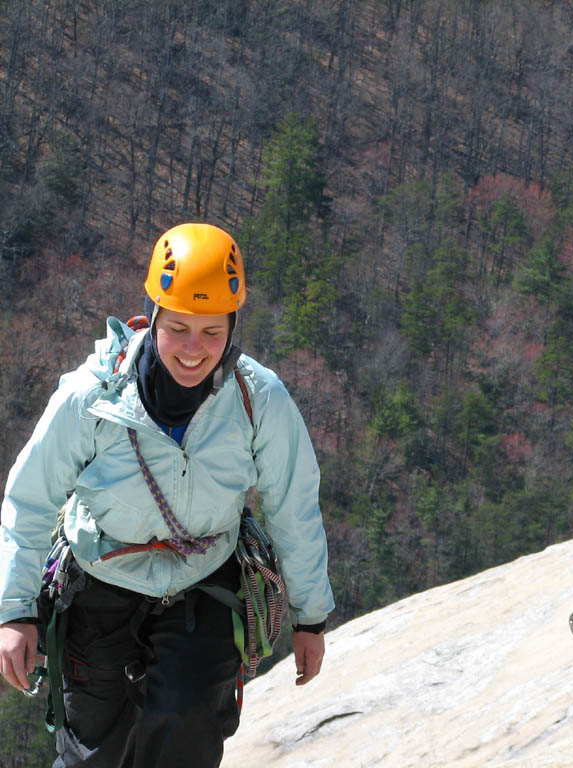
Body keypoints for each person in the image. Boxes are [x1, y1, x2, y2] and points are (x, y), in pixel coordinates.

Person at [0, 223, 335, 768]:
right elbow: (29, 501)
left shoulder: (259, 401)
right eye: (178, 328)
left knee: (188, 725)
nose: (192, 350)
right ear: (153, 317)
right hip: (100, 582)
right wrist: (15, 613)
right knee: (94, 754)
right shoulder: (93, 397)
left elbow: (292, 505)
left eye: (211, 332)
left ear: (232, 327)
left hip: (205, 582)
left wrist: (311, 616)